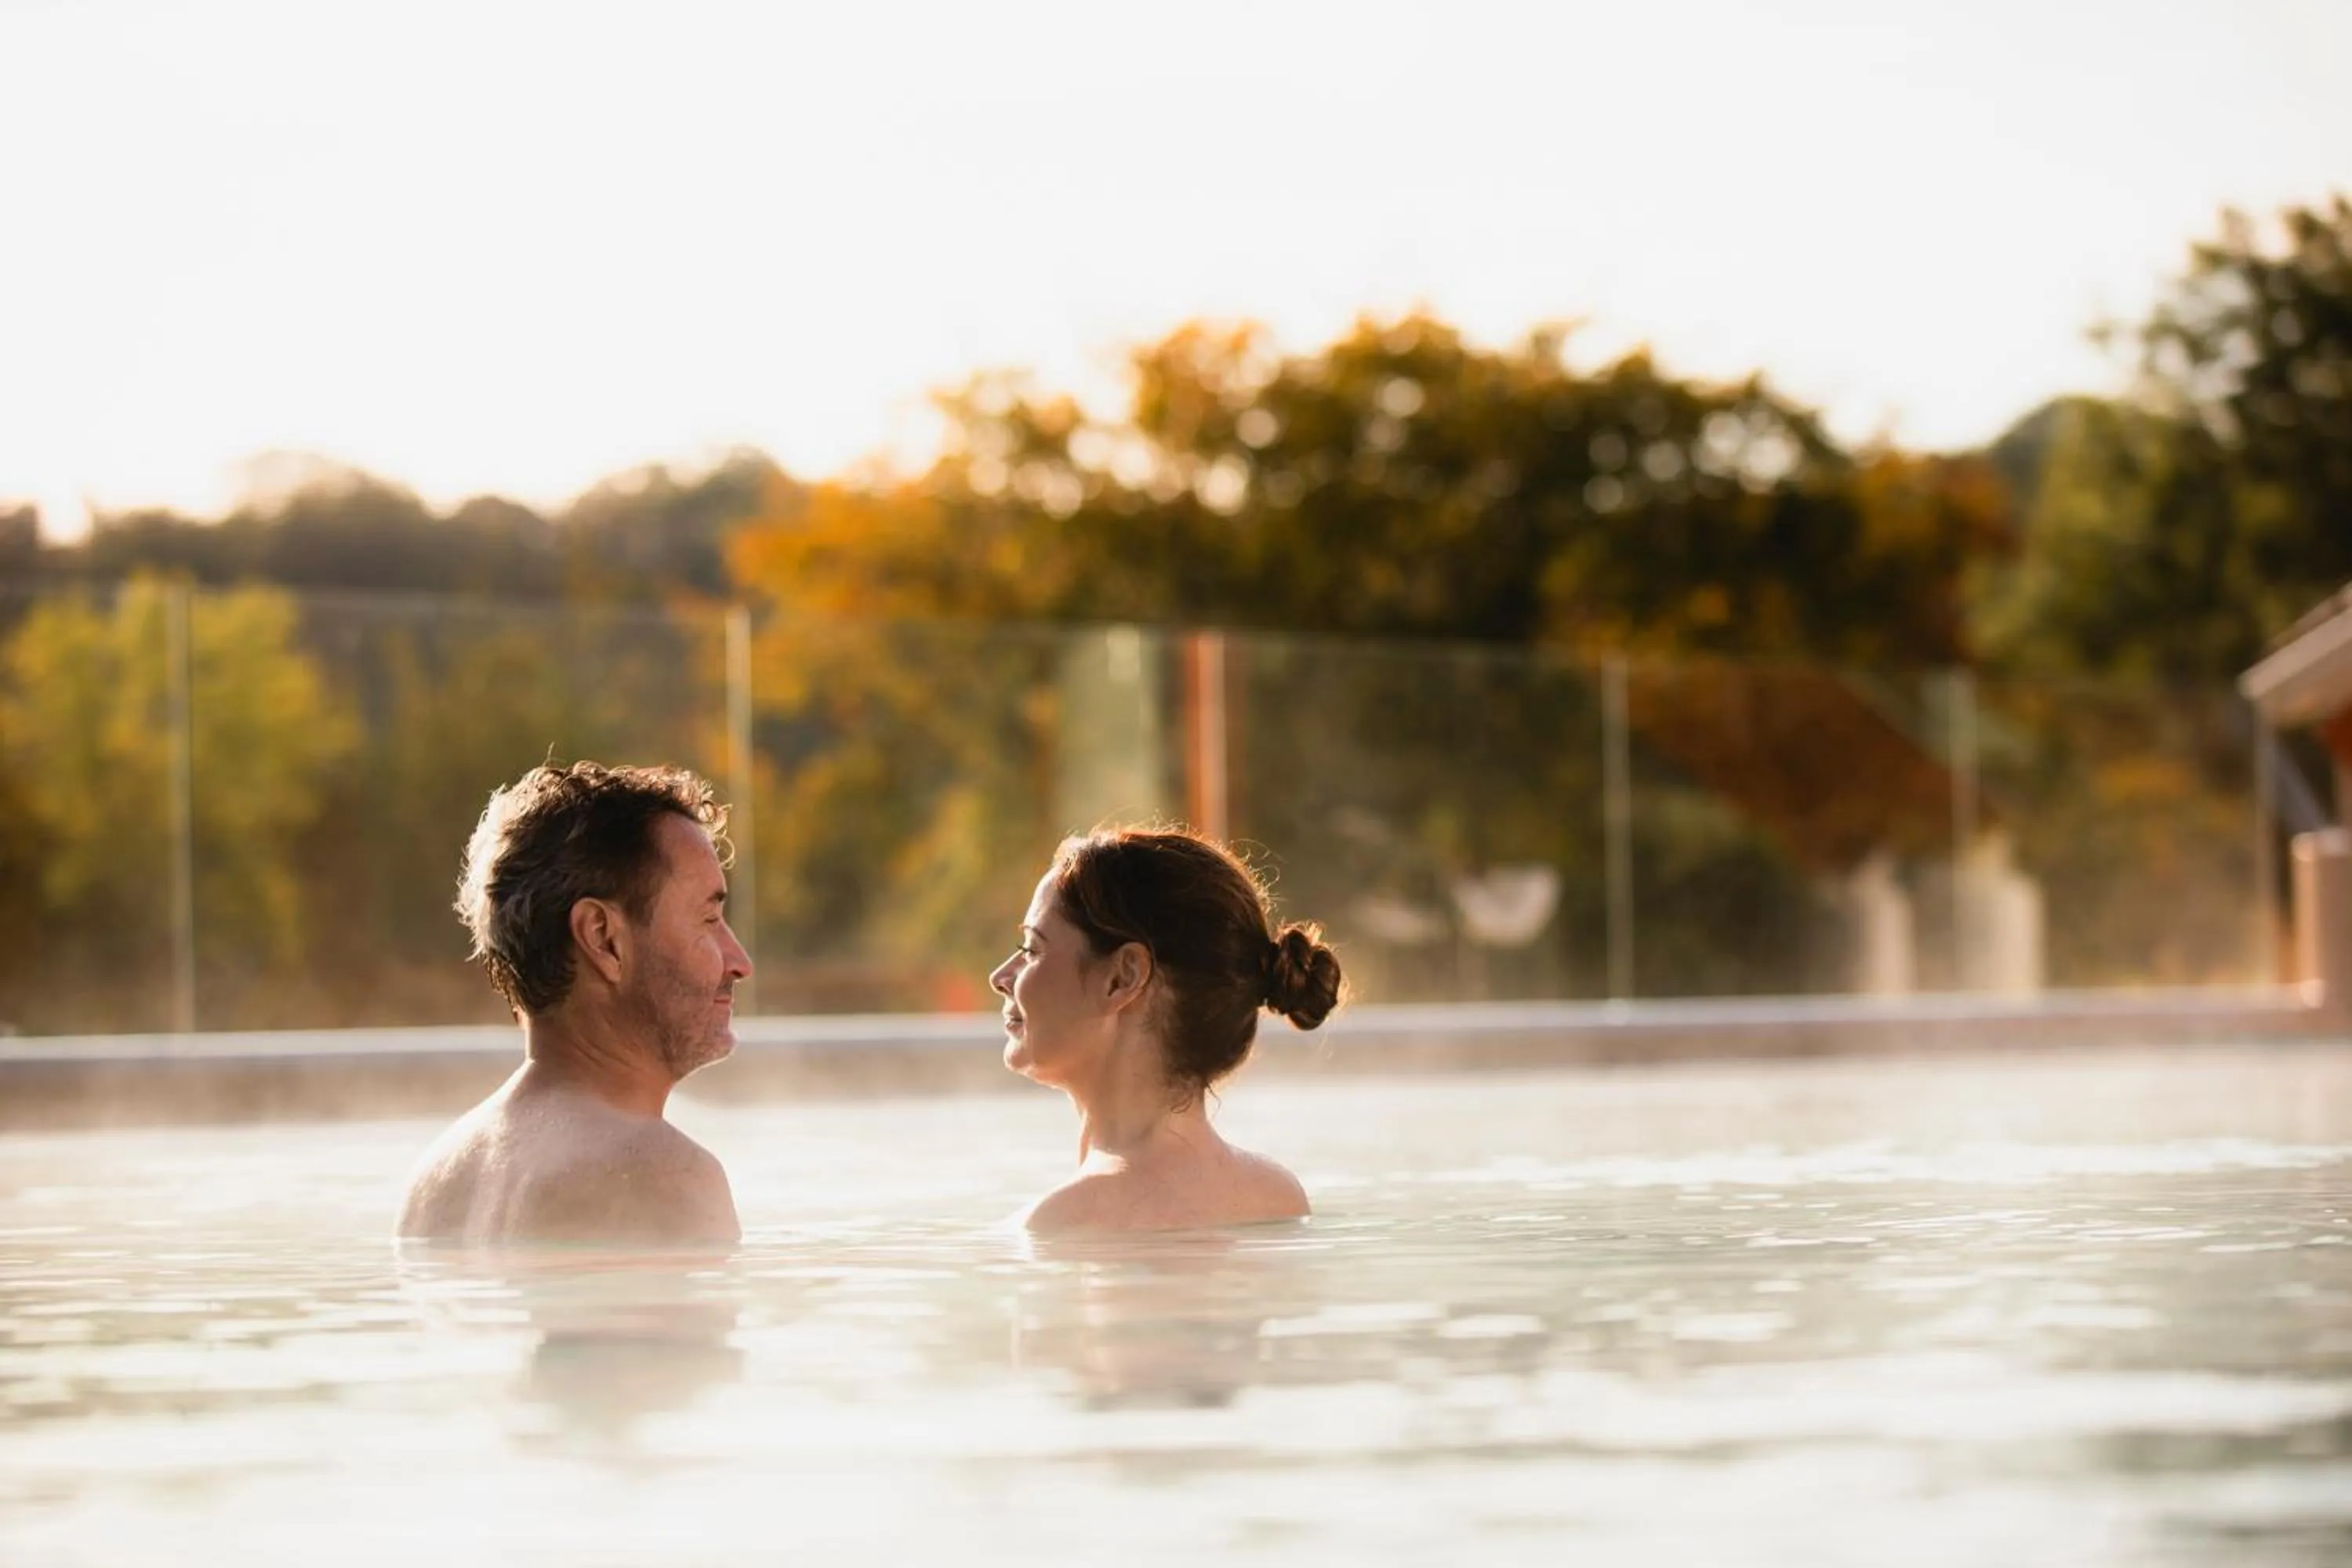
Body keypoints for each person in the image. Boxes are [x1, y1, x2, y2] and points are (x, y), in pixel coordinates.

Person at [397, 761, 750, 1246]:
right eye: (708, 920)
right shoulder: (663, 1178)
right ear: (604, 939)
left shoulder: (438, 1179)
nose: (739, 962)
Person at [988, 828, 1342, 1232]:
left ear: (1121, 978)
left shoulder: (1060, 1225)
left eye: (1032, 949)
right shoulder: (1279, 1196)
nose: (1000, 977)